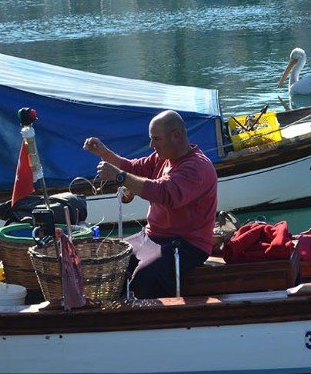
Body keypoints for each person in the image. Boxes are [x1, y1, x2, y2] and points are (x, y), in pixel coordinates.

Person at [84, 110, 218, 299]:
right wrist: (104, 153)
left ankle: (152, 321)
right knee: (109, 262)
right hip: (153, 236)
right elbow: (133, 167)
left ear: (176, 136)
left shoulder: (197, 167)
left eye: (156, 139)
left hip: (187, 244)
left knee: (145, 278)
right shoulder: (162, 157)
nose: (151, 145)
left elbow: (164, 193)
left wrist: (120, 177)